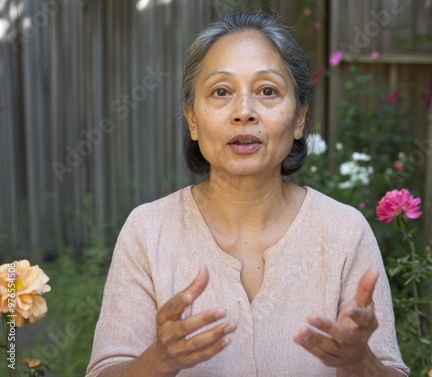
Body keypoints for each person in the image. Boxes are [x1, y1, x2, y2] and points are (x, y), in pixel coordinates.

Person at [86, 9, 409, 377]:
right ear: (192, 119)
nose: (243, 112)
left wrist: (358, 362)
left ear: (300, 117)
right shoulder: (148, 231)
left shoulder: (343, 231)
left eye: (267, 91)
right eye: (221, 91)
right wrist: (159, 360)